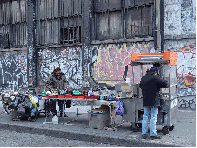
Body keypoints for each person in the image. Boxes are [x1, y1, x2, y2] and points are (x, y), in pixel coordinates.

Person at [139, 66, 169, 140]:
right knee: (153, 117)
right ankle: (152, 134)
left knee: (145, 116)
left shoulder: (144, 78)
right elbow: (165, 84)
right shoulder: (155, 78)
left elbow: (140, 86)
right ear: (155, 72)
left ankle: (144, 133)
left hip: (146, 100)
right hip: (154, 101)